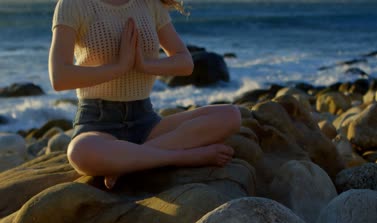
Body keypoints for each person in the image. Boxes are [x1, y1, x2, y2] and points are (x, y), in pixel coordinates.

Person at [49, 0, 241, 189]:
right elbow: (60, 77)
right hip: (99, 123)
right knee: (80, 152)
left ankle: (127, 163)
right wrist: (120, 67)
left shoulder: (150, 4)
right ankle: (182, 157)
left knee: (230, 115)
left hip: (146, 122)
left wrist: (145, 66)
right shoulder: (73, 4)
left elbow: (185, 62)